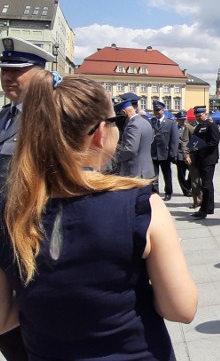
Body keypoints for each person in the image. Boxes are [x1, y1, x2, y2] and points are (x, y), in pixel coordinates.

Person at [0, 70, 197, 359]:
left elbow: (4, 319)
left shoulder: (11, 209)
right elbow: (181, 309)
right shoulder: (140, 204)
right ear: (100, 131)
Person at [0, 36, 56, 360]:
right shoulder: (5, 116)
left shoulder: (50, 116)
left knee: (36, 317)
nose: (8, 76)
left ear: (38, 73)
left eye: (17, 69)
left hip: (33, 233)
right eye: (4, 69)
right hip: (5, 234)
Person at [113, 94, 156, 180]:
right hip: (145, 170)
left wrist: (114, 158)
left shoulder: (133, 125)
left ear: (124, 112)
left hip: (134, 172)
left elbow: (130, 150)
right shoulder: (145, 121)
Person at [188, 106, 220, 219]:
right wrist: (191, 150)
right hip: (200, 159)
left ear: (205, 114)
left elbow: (214, 142)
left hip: (208, 159)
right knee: (206, 184)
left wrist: (200, 148)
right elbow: (194, 141)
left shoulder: (211, 125)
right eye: (196, 116)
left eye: (199, 115)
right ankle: (209, 207)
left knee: (206, 185)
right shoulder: (199, 126)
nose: (198, 117)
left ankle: (204, 209)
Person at [149, 101, 180, 201]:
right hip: (153, 153)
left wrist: (173, 153)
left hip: (165, 154)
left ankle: (168, 192)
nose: (156, 112)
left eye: (158, 110)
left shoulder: (170, 123)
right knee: (154, 175)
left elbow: (174, 140)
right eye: (155, 110)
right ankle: (155, 192)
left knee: (167, 174)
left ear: (163, 110)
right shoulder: (151, 122)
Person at [174, 110, 192, 197]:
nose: (183, 121)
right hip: (179, 154)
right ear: (177, 120)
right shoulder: (174, 128)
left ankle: (188, 185)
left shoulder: (190, 127)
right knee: (181, 174)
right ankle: (185, 191)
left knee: (192, 172)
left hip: (189, 153)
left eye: (184, 119)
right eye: (181, 119)